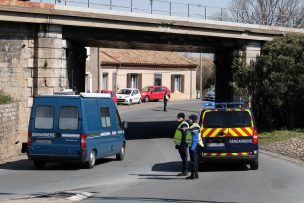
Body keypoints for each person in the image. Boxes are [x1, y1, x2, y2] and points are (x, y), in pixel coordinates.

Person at [186, 114, 204, 180]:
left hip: (194, 146)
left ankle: (193, 175)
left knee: (193, 161)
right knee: (195, 160)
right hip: (195, 145)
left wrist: (192, 148)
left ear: (193, 119)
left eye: (190, 119)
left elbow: (195, 139)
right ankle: (196, 174)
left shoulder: (195, 127)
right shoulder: (194, 126)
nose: (189, 120)